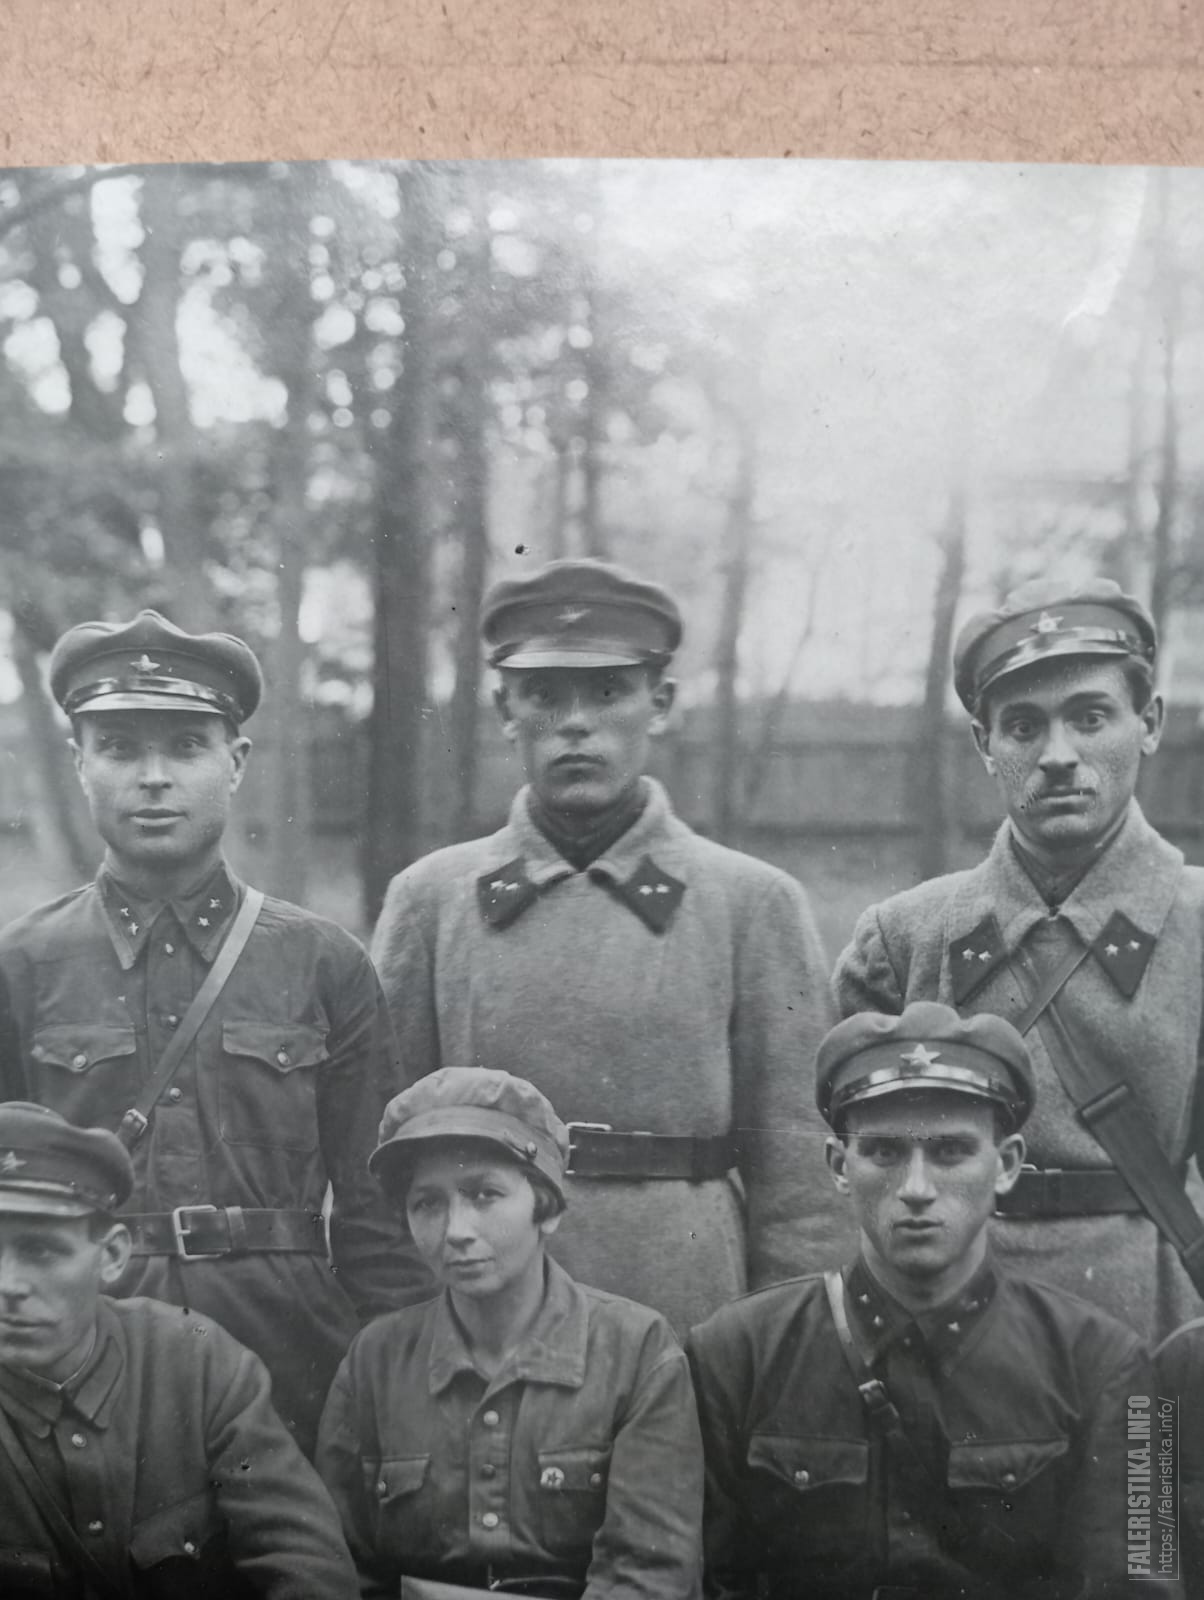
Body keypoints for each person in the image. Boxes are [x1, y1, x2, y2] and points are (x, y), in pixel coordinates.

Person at [370, 559, 848, 1334]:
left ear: (660, 704)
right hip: (484, 1310)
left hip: (687, 1303)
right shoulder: (432, 900)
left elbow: (802, 1180)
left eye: (607, 692)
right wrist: (410, 1334)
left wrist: (784, 1344)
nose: (575, 725)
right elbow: (384, 1156)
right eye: (543, 695)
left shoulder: (750, 903)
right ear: (503, 708)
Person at [0, 610, 409, 1455]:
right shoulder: (23, 966)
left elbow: (379, 1223)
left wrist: (395, 1400)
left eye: (186, 746)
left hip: (293, 1357)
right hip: (77, 1358)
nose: (154, 778)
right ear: (79, 762)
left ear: (237, 761)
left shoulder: (325, 962)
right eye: (119, 748)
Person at [833, 577, 1204, 1343]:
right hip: (945, 1327)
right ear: (985, 745)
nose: (1058, 756)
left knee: (1151, 1432)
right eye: (1024, 726)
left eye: (1091, 717)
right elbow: (855, 1177)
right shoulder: (903, 938)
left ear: (1149, 723)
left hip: (1149, 1323)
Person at [686, 1002, 1153, 1600]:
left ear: (1007, 1165)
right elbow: (699, 1581)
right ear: (839, 1166)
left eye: (951, 1151)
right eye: (884, 1152)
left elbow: (1143, 1581)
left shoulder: (1106, 1366)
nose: (916, 1188)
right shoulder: (734, 1356)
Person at [316, 1066, 703, 1599]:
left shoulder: (636, 1352)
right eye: (428, 1203)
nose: (456, 1231)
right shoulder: (375, 1362)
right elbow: (338, 1567)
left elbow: (648, 1575)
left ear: (547, 1209)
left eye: (484, 1194)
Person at [0, 1099, 359, 1598]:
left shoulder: (196, 1364)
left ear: (112, 1255)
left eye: (40, 1250)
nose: (8, 1285)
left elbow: (307, 1563)